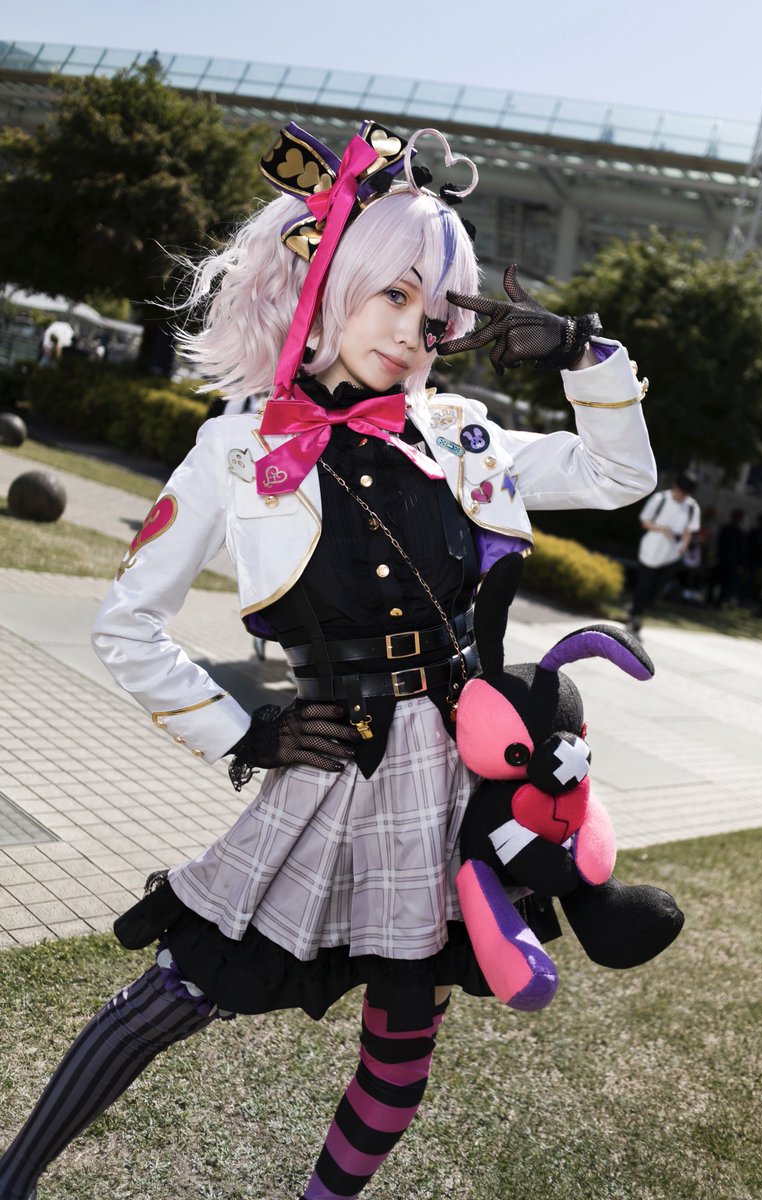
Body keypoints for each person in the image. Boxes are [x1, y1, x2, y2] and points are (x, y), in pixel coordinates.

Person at [0, 120, 656, 1200]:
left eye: (434, 312)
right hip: (334, 769)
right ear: (327, 283)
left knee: (404, 1041)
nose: (412, 330)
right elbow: (125, 624)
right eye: (389, 293)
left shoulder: (463, 435)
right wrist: (244, 730)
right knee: (182, 987)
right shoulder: (236, 449)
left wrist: (586, 357)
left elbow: (615, 475)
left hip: (457, 777)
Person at [627, 470, 700, 634]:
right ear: (675, 486)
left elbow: (689, 530)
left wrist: (683, 546)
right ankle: (635, 616)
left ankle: (638, 610)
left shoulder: (692, 507)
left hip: (672, 554)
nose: (683, 496)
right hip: (651, 550)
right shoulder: (660, 499)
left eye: (686, 493)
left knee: (657, 589)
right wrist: (662, 529)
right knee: (643, 586)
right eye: (681, 491)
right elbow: (644, 522)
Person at [706, 507, 746, 609]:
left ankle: (714, 600)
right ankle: (717, 601)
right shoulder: (737, 531)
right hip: (728, 561)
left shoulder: (729, 529)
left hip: (725, 560)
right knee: (722, 583)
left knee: (718, 582)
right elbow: (741, 550)